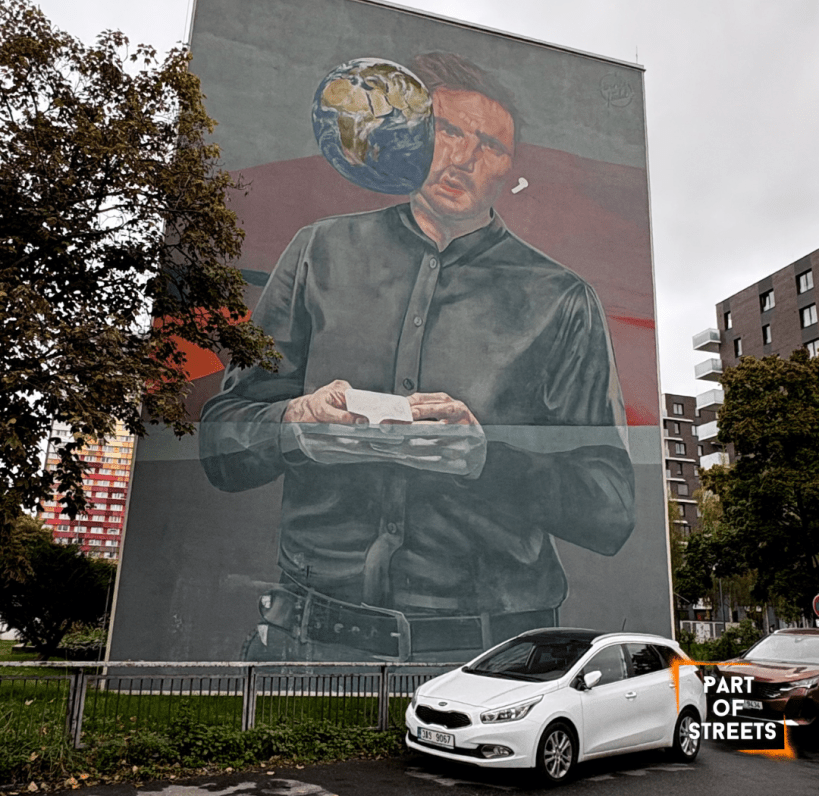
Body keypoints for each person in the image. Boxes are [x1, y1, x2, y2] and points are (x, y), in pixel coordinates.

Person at [199, 52, 635, 663]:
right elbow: (219, 443)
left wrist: (484, 459)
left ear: (510, 168)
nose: (463, 157)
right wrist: (293, 425)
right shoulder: (319, 251)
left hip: (493, 658)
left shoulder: (563, 300)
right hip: (308, 644)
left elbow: (611, 509)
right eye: (448, 130)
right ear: (409, 136)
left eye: (490, 145)